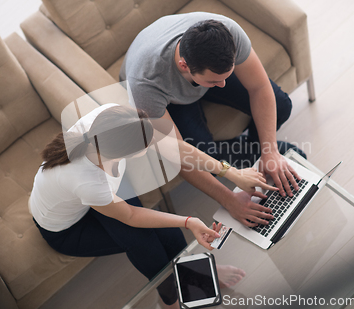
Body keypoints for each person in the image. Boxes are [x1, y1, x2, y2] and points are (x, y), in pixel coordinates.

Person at [29, 103, 270, 308]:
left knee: (169, 233)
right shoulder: (88, 181)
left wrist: (231, 173)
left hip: (97, 191)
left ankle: (195, 274)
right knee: (146, 246)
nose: (150, 149)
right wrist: (189, 221)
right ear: (122, 153)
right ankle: (170, 303)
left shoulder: (113, 120)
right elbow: (131, 216)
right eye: (143, 150)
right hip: (68, 229)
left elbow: (175, 148)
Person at [120, 12, 307, 228]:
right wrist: (229, 200)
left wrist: (270, 151)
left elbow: (259, 87)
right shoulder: (145, 83)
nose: (224, 85)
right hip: (166, 98)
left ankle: (263, 157)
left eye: (227, 76)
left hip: (195, 71)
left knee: (281, 105)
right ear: (184, 66)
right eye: (215, 80)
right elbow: (177, 154)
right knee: (206, 159)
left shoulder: (228, 32)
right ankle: (249, 157)